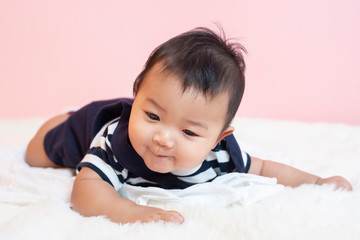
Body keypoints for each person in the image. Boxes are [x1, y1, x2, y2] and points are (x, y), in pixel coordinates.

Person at [25, 27, 352, 225]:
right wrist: (132, 213)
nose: (163, 138)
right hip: (87, 126)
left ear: (218, 140)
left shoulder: (221, 156)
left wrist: (317, 181)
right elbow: (85, 191)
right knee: (37, 154)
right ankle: (64, 118)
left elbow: (265, 167)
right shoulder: (115, 140)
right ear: (136, 97)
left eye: (189, 132)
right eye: (152, 116)